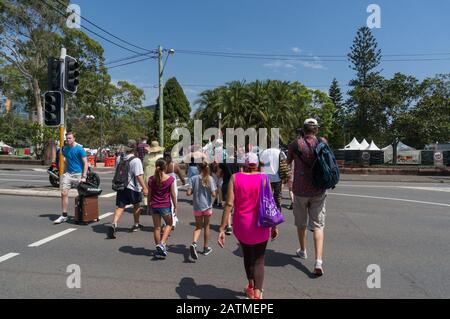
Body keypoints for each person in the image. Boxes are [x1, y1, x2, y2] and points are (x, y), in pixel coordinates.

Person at [218, 153, 278, 299]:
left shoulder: (235, 177)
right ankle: (257, 293)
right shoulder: (264, 178)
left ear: (244, 164)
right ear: (257, 164)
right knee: (259, 259)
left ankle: (251, 286)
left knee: (248, 256)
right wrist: (274, 226)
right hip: (261, 224)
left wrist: (221, 228)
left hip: (242, 224)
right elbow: (270, 203)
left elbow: (229, 204)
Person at [287, 118, 327, 277]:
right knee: (318, 225)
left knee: (301, 223)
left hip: (300, 190)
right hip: (318, 189)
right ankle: (318, 261)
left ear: (303, 130)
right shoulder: (322, 142)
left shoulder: (295, 144)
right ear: (316, 130)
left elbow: (287, 162)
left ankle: (303, 250)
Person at [107, 140, 148, 239]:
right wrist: (145, 188)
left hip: (121, 186)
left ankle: (114, 223)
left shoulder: (119, 158)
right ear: (134, 148)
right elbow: (139, 176)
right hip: (133, 187)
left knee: (120, 206)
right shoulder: (136, 160)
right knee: (136, 205)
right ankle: (136, 224)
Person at [54, 132, 89, 224]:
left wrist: (84, 176)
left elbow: (86, 163)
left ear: (74, 138)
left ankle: (83, 215)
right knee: (63, 192)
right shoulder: (65, 149)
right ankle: (64, 215)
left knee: (82, 195)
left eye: (70, 138)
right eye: (67, 138)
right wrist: (63, 172)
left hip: (79, 174)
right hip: (69, 174)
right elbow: (66, 160)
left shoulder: (80, 149)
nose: (68, 140)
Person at [186, 162, 217, 260]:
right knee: (207, 226)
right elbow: (213, 194)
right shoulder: (210, 179)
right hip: (207, 206)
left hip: (197, 206)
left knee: (198, 227)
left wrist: (190, 191)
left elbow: (188, 193)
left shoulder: (193, 178)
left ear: (198, 168)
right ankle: (205, 248)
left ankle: (194, 243)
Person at [148, 159, 177, 259]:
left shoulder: (151, 179)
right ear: (165, 168)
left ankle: (158, 248)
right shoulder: (170, 179)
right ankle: (162, 243)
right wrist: (175, 206)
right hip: (165, 206)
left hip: (154, 205)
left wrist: (148, 205)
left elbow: (149, 194)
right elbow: (173, 194)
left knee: (157, 228)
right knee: (169, 224)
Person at [164, 152, 186, 229]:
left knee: (165, 204)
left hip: (164, 187)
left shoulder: (163, 166)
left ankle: (166, 222)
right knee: (173, 204)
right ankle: (172, 223)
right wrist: (183, 182)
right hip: (173, 187)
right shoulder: (174, 166)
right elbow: (181, 176)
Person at [259, 146, 285, 211]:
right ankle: (278, 210)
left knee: (267, 195)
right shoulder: (280, 152)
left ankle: (268, 211)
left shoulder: (264, 152)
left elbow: (260, 165)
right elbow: (285, 164)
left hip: (266, 177)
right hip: (278, 177)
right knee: (277, 195)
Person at [143, 141, 165, 207]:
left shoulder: (146, 157)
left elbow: (144, 165)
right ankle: (156, 204)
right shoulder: (161, 156)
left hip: (147, 175)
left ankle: (146, 204)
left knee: (147, 190)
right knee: (158, 190)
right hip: (158, 175)